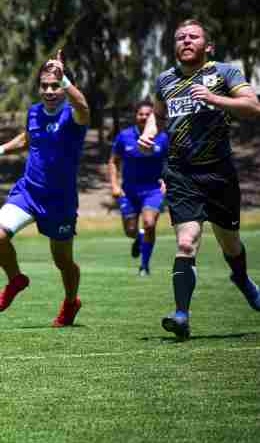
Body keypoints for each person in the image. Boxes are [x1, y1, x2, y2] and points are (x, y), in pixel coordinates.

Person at [138, 18, 260, 341]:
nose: (186, 41)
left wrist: (214, 98)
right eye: (180, 37)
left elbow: (252, 106)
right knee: (185, 241)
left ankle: (242, 279)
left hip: (219, 173)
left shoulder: (225, 73)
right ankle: (181, 315)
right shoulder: (165, 79)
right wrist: (150, 133)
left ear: (208, 46)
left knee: (230, 243)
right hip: (181, 172)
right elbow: (158, 115)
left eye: (193, 37)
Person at [0, 51, 90, 327]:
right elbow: (28, 136)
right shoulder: (34, 112)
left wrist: (65, 81)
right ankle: (16, 279)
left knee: (63, 262)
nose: (49, 90)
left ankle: (71, 302)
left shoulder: (73, 116)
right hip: (29, 191)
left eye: (55, 85)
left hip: (60, 201)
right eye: (45, 85)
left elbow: (84, 107)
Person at [108, 100, 169, 276]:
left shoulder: (163, 137)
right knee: (130, 231)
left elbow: (173, 162)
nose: (144, 117)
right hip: (129, 191)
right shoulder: (124, 136)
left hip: (153, 190)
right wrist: (114, 185)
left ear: (153, 116)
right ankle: (140, 238)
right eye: (140, 114)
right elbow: (113, 161)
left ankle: (144, 266)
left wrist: (169, 182)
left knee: (149, 224)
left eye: (148, 114)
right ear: (136, 116)